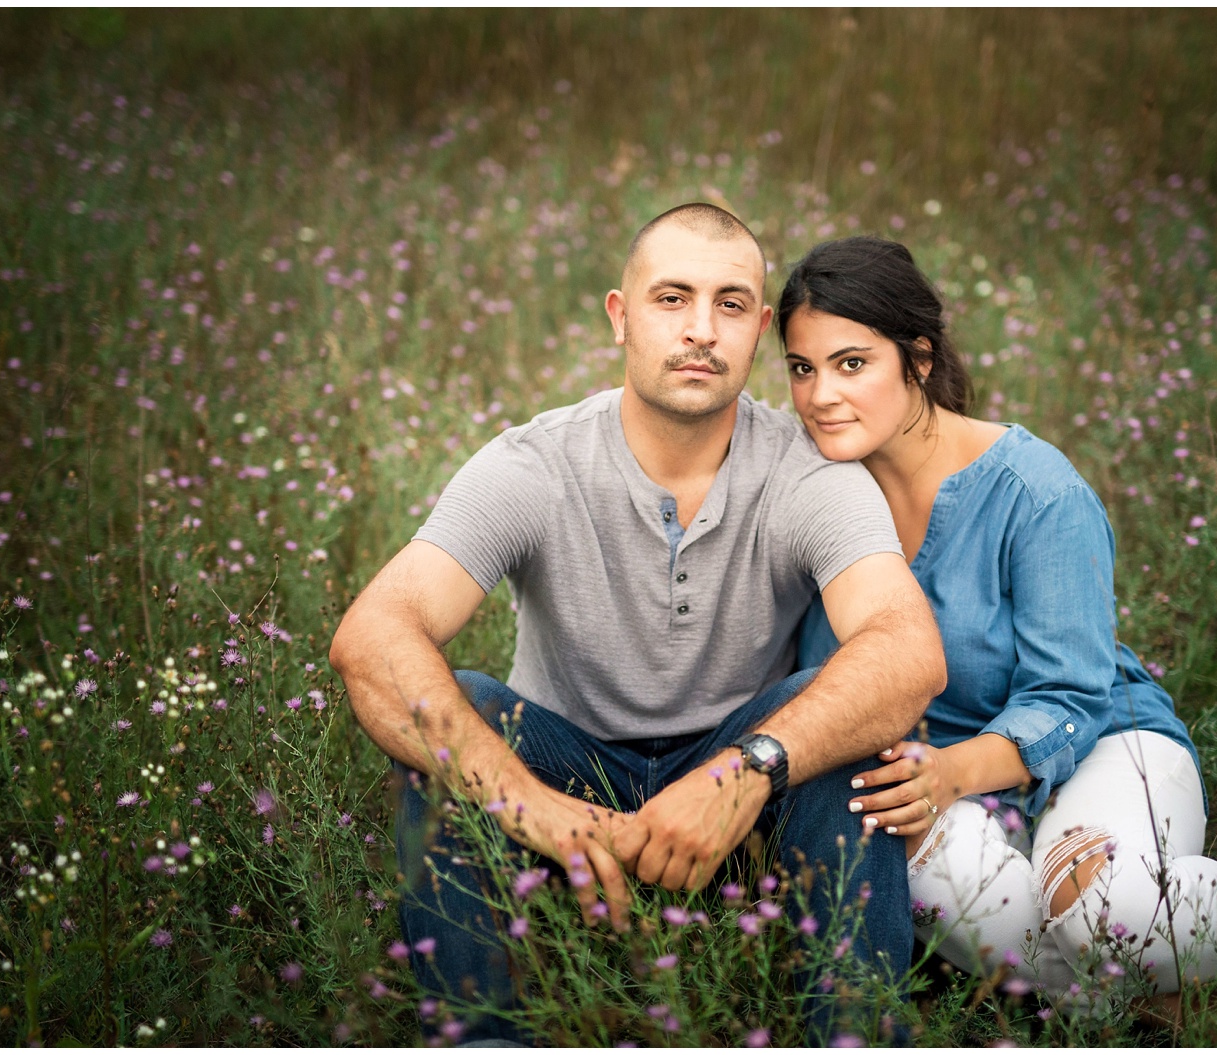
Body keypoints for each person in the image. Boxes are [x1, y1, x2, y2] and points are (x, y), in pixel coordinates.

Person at [779, 235, 1217, 1040]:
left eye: (851, 363)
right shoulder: (809, 487)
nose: (821, 394)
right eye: (801, 367)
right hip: (935, 783)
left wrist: (954, 771)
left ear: (919, 359)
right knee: (945, 883)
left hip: (1098, 737)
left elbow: (1070, 697)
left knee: (1103, 910)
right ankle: (1195, 1000)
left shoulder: (1035, 489)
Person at [329, 205, 946, 1045]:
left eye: (730, 304)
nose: (700, 329)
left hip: (736, 787)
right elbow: (373, 637)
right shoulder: (535, 464)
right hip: (563, 775)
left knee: (835, 725)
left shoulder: (807, 474)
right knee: (459, 710)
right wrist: (538, 810)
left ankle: (851, 1035)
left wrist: (748, 767)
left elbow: (907, 649)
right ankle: (477, 1037)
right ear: (621, 316)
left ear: (760, 328)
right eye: (672, 298)